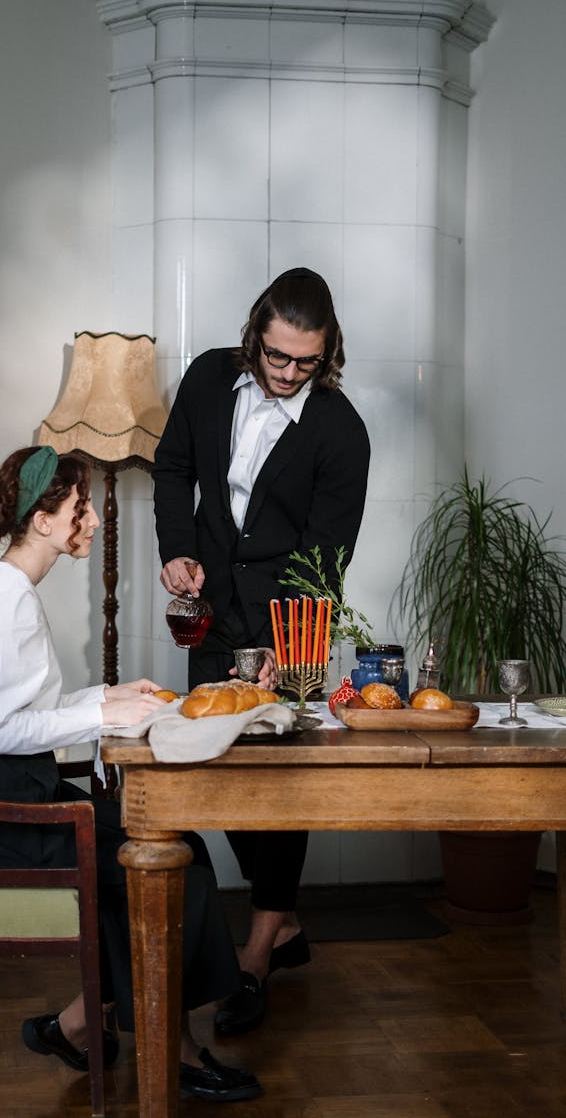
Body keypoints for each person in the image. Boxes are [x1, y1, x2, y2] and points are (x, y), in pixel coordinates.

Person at [0, 444, 261, 1103]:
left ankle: (81, 1022)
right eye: (80, 508)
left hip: (21, 790)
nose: (90, 520)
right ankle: (174, 1050)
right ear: (42, 520)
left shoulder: (9, 589)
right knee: (155, 858)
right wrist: (97, 716)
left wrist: (112, 698)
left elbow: (22, 711)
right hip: (6, 812)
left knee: (175, 844)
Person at [153, 267, 370, 1035]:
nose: (285, 374)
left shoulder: (342, 431)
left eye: (304, 362)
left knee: (279, 793)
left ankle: (255, 952)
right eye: (276, 356)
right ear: (256, 336)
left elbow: (326, 557)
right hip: (211, 614)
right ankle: (284, 923)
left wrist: (290, 650)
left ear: (326, 353)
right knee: (213, 770)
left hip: (290, 628)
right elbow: (175, 469)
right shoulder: (210, 377)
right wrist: (176, 549)